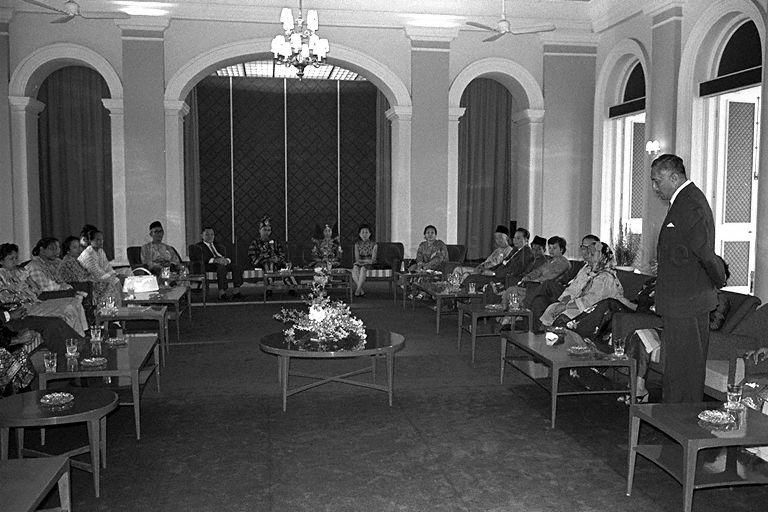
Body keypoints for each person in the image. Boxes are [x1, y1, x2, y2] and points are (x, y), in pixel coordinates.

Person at [650, 153, 726, 403]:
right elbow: (683, 251)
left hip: (688, 300)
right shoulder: (682, 201)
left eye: (657, 181)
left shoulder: (690, 203)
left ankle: (683, 420)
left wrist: (718, 280)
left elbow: (704, 252)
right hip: (680, 301)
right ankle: (674, 418)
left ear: (674, 177)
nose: (654, 187)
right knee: (677, 368)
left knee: (685, 370)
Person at [0, 243, 88, 334]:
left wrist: (30, 285)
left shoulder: (21, 271)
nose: (15, 261)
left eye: (16, 258)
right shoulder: (1, 276)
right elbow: (6, 299)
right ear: (1, 261)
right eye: (11, 259)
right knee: (68, 308)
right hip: (23, 307)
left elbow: (36, 290)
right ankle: (76, 338)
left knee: (74, 302)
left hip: (36, 301)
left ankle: (82, 335)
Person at [540, 242, 629, 328]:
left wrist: (566, 307)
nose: (588, 256)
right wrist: (562, 303)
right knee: (552, 308)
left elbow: (591, 301)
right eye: (588, 252)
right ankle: (543, 335)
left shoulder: (606, 277)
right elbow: (572, 289)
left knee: (563, 317)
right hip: (579, 305)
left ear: (603, 257)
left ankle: (559, 336)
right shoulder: (586, 270)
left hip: (596, 311)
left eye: (592, 254)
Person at [524, 234, 599, 332]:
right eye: (583, 247)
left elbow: (589, 297)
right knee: (539, 301)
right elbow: (572, 287)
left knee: (547, 284)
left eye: (590, 247)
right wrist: (529, 277)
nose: (586, 251)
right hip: (567, 294)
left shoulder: (602, 272)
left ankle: (524, 308)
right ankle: (532, 333)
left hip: (568, 296)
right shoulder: (585, 268)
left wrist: (565, 304)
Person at [193, 227, 243, 301]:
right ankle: (222, 293)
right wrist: (216, 260)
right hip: (208, 265)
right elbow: (200, 258)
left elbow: (228, 255)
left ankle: (236, 291)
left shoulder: (219, 245)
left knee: (236, 266)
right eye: (207, 234)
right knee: (221, 267)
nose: (210, 236)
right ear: (202, 236)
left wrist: (227, 260)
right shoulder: (198, 246)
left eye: (212, 234)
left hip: (222, 263)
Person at [77, 229, 123, 307]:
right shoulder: (88, 254)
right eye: (97, 240)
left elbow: (107, 267)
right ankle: (109, 310)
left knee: (120, 279)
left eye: (102, 239)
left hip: (101, 278)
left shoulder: (101, 251)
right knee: (114, 283)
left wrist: (115, 274)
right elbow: (97, 274)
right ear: (91, 241)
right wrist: (113, 277)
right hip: (90, 283)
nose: (101, 242)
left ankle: (121, 308)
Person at [351, 223, 377, 297]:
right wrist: (363, 261)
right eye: (362, 232)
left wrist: (363, 261)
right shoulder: (357, 244)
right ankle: (361, 291)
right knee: (355, 268)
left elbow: (373, 260)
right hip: (360, 263)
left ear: (370, 234)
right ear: (359, 234)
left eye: (366, 232)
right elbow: (357, 259)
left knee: (363, 269)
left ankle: (358, 290)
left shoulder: (374, 244)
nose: (364, 234)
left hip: (370, 264)